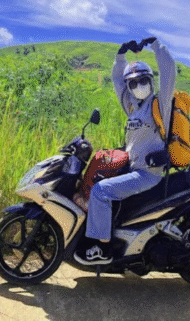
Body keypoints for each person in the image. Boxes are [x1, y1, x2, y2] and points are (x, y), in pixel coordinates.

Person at [74, 37, 176, 265]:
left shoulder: (160, 105)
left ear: (151, 81)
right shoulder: (132, 107)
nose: (139, 86)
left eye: (144, 80)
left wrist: (157, 46)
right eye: (134, 83)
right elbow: (117, 82)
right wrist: (120, 56)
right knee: (97, 180)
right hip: (133, 169)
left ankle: (103, 248)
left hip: (147, 173)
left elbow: (169, 71)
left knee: (100, 191)